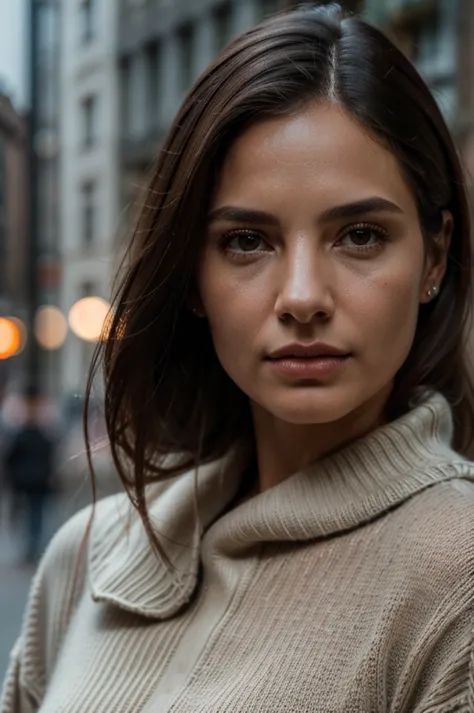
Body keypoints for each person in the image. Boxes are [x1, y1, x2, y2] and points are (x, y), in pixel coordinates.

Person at [1, 3, 474, 711]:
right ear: (193, 276)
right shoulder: (86, 555)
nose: (304, 296)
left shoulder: (456, 582)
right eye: (247, 241)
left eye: (361, 235)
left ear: (434, 255)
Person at [1, 386, 57, 564]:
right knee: (35, 514)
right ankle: (32, 545)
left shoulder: (20, 434)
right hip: (38, 481)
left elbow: (10, 457)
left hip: (24, 481)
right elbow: (50, 458)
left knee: (26, 513)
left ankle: (29, 547)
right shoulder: (45, 435)